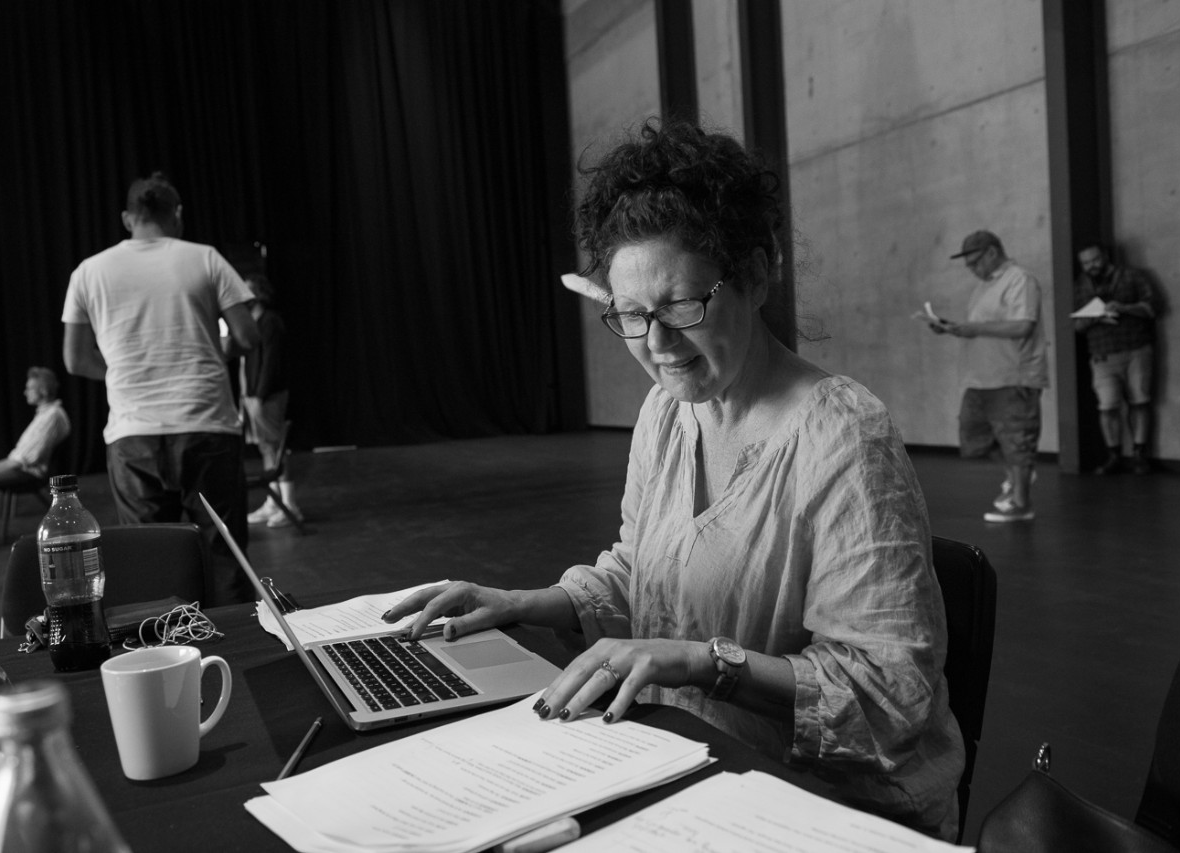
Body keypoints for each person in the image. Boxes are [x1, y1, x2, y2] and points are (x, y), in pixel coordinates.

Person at [384, 120, 965, 840]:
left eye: (681, 306)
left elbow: (886, 694)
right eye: (630, 315)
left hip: (830, 809)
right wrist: (522, 602)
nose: (656, 345)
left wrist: (702, 662)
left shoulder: (845, 440)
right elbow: (643, 575)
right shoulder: (667, 413)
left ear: (756, 273)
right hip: (694, 772)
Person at [62, 172, 260, 605]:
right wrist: (206, 353)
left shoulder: (88, 271)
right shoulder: (205, 258)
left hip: (134, 435)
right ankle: (239, 663)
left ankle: (170, 661)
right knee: (224, 556)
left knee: (152, 562)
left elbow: (75, 359)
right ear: (178, 215)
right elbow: (246, 337)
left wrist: (122, 372)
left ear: (127, 218)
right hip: (206, 424)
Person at [930, 230, 1048, 523]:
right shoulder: (983, 287)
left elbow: (1023, 327)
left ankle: (1022, 502)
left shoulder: (1020, 280)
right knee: (975, 439)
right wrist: (952, 328)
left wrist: (976, 329)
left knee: (1016, 439)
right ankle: (1017, 473)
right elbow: (982, 327)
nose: (972, 270)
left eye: (974, 263)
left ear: (993, 253)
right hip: (980, 376)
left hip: (1013, 376)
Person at [0, 367, 70, 552]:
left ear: (43, 390)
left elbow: (29, 458)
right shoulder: (44, 414)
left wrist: (0, 467)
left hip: (28, 473)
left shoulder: (52, 416)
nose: (25, 392)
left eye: (29, 388)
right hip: (20, 468)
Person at [1073, 243, 1157, 475]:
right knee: (1107, 406)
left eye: (1095, 260)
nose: (1092, 266)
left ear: (1105, 257)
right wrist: (1093, 317)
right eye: (1086, 263)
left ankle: (1139, 454)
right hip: (1102, 353)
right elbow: (1076, 325)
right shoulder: (1080, 285)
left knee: (1140, 401)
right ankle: (1114, 455)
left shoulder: (1132, 276)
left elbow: (1151, 308)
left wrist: (1125, 308)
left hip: (1136, 348)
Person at [240, 273, 303, 527]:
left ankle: (290, 506)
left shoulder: (270, 321)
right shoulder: (251, 322)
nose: (243, 296)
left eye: (249, 291)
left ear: (260, 294)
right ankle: (273, 503)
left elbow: (271, 363)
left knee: (275, 449)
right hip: (253, 397)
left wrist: (260, 395)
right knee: (266, 448)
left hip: (267, 396)